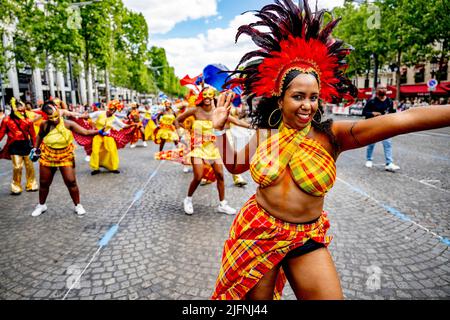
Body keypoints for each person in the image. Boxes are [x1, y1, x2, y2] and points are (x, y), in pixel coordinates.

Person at [210, 0, 450, 300]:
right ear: (279, 97)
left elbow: (404, 119)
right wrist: (218, 130)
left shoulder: (332, 136)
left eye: (314, 97)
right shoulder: (265, 135)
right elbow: (234, 167)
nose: (308, 105)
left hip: (305, 237)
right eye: (298, 96)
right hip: (257, 230)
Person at [176, 87, 246, 216]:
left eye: (210, 95)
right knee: (198, 176)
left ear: (213, 96)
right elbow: (177, 120)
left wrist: (253, 126)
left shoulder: (218, 111)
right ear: (201, 96)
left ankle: (222, 204)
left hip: (214, 148)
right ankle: (188, 199)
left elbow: (234, 120)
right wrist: (183, 133)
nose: (207, 97)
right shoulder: (195, 110)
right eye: (205, 95)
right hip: (198, 148)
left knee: (220, 175)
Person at [30, 100, 105, 217]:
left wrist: (99, 132)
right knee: (44, 183)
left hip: (65, 155)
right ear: (46, 116)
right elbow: (40, 135)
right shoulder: (44, 125)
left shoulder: (67, 124)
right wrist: (35, 149)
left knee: (71, 181)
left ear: (58, 112)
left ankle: (78, 205)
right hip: (48, 155)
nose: (54, 119)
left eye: (56, 116)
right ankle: (41, 205)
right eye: (51, 118)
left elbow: (85, 132)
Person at [0, 98, 38, 194]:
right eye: (19, 109)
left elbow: (33, 135)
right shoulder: (6, 120)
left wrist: (35, 147)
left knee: (30, 166)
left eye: (23, 109)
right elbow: (0, 134)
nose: (21, 111)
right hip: (14, 146)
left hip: (26, 145)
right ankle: (16, 187)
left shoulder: (28, 120)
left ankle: (31, 184)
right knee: (17, 167)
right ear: (14, 109)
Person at [363, 85, 400, 171]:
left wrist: (393, 111)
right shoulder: (371, 101)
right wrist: (373, 113)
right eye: (381, 88)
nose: (383, 90)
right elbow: (364, 112)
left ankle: (389, 163)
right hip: (373, 126)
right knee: (371, 144)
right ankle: (369, 160)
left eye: (385, 88)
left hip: (386, 126)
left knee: (387, 144)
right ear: (377, 90)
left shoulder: (390, 101)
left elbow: (393, 113)